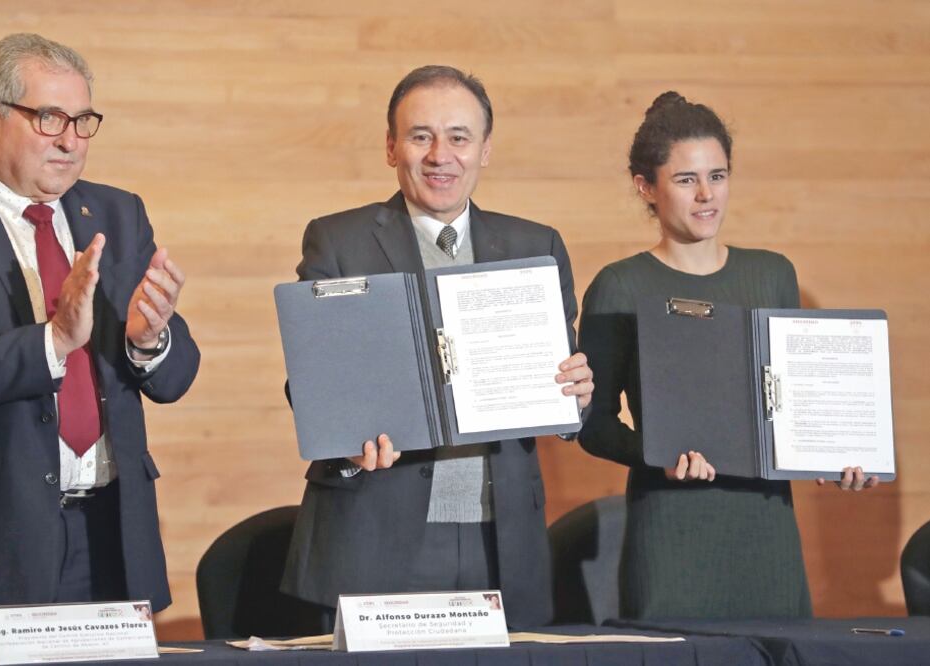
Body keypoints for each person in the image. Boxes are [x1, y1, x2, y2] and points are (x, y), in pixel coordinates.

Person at [280, 65, 593, 630]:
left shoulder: (535, 245)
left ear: (485, 150)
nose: (439, 156)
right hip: (376, 529)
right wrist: (346, 441)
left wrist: (577, 396)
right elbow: (313, 379)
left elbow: (561, 386)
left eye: (459, 137)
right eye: (420, 136)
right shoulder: (339, 240)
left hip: (501, 538)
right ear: (391, 147)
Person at [0, 33, 199, 648]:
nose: (70, 139)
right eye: (50, 117)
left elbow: (176, 377)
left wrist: (149, 340)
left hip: (111, 534)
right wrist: (52, 343)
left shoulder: (117, 213)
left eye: (82, 121)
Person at [577, 91, 877, 619]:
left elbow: (793, 406)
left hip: (766, 532)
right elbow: (593, 425)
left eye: (717, 176)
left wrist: (839, 456)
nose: (706, 195)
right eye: (686, 179)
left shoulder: (772, 275)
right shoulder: (620, 286)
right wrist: (659, 457)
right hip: (672, 536)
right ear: (646, 187)